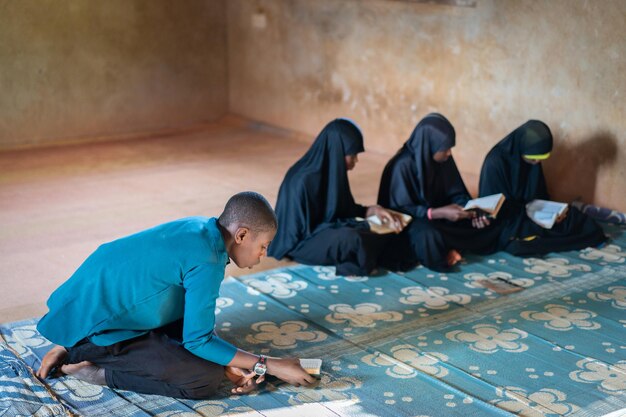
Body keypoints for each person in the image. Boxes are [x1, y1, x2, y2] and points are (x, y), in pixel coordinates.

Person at [36, 192, 315, 399]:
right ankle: (93, 369)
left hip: (81, 309)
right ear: (241, 235)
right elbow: (198, 341)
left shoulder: (200, 227)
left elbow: (197, 328)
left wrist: (233, 362)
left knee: (214, 349)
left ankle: (70, 343)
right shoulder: (207, 261)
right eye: (263, 246)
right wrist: (271, 365)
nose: (264, 255)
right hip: (96, 330)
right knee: (202, 379)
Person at [268, 118, 411, 276]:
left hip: (328, 231)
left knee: (382, 231)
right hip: (300, 244)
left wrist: (373, 211)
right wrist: (351, 226)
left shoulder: (332, 172)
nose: (355, 160)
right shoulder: (301, 180)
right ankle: (356, 261)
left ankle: (361, 254)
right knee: (353, 238)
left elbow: (342, 209)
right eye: (352, 155)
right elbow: (296, 233)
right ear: (337, 151)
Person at [378, 113, 501, 272]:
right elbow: (399, 210)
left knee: (488, 222)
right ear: (429, 145)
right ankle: (448, 250)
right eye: (445, 149)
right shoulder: (401, 166)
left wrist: (472, 211)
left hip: (443, 216)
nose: (449, 153)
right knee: (428, 236)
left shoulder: (444, 159)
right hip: (412, 222)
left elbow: (457, 193)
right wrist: (435, 213)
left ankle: (451, 247)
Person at [478, 120, 606, 255]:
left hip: (534, 212)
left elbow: (539, 195)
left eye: (541, 159)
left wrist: (552, 214)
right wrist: (533, 217)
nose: (537, 162)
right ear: (521, 147)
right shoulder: (495, 162)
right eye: (533, 159)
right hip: (510, 221)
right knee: (518, 243)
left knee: (576, 218)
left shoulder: (531, 160)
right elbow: (493, 210)